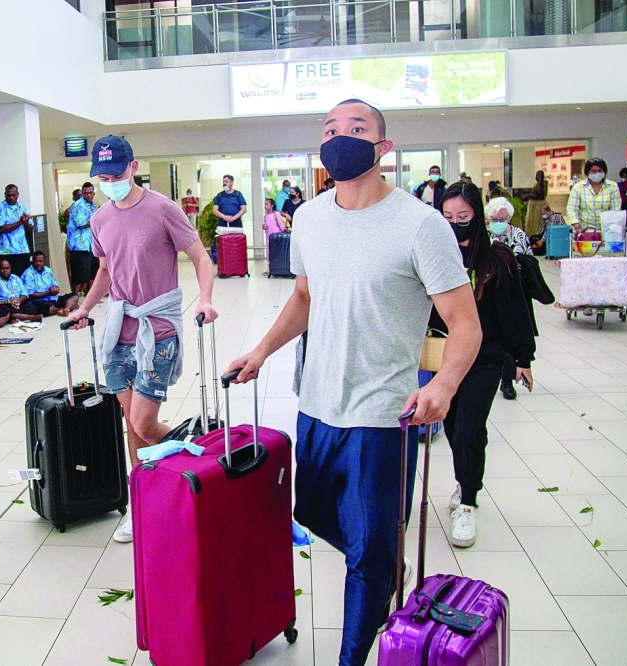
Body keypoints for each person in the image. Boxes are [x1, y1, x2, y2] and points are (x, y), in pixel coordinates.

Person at [224, 100, 481, 666]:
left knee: (364, 557)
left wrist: (443, 385)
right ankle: (385, 559)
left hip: (382, 416)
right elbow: (304, 298)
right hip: (316, 405)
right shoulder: (311, 217)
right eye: (331, 130)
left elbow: (466, 324)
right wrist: (262, 351)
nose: (341, 139)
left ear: (383, 149)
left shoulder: (421, 224)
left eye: (357, 130)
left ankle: (355, 649)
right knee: (314, 517)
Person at [67, 134, 218, 545]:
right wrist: (85, 308)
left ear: (134, 167)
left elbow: (201, 258)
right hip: (119, 332)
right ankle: (143, 507)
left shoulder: (162, 209)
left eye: (116, 174)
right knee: (131, 427)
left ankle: (198, 461)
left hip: (157, 331)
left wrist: (205, 299)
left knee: (143, 423)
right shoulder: (100, 219)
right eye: (102, 176)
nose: (109, 182)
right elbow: (105, 272)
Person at [433, 182, 535, 548]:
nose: (455, 224)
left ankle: (469, 502)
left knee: (470, 427)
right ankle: (466, 480)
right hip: (444, 358)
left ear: (477, 215)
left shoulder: (495, 259)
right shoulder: (434, 256)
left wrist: (523, 358)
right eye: (447, 217)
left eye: (463, 217)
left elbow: (514, 310)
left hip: (485, 357)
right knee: (453, 425)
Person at [484, 197, 533, 401]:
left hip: (515, 292)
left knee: (513, 334)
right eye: (495, 218)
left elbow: (529, 260)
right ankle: (499, 376)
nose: (499, 221)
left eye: (503, 218)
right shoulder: (483, 236)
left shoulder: (518, 235)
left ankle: (508, 380)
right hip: (490, 293)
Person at [565, 157, 621, 232]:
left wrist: (611, 227)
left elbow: (615, 209)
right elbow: (572, 209)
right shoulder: (578, 187)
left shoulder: (612, 186)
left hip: (607, 230)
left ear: (604, 172)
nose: (597, 173)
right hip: (584, 231)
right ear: (588, 172)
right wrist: (577, 226)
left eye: (599, 171)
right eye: (593, 171)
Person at [0, 258, 42, 326]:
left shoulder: (15, 278)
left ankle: (14, 318)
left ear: (10, 269)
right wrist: (9, 302)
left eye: (7, 268)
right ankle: (30, 317)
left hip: (17, 304)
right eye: (2, 268)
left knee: (33, 306)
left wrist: (18, 301)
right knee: (5, 312)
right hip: (3, 306)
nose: (5, 271)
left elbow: (24, 293)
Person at [0, 184, 34, 276]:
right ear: (5, 194)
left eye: (13, 195)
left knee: (23, 279)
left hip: (22, 251)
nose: (11, 197)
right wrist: (20, 222)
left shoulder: (23, 209)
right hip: (5, 252)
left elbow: (30, 230)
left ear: (17, 195)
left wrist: (26, 222)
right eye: (8, 195)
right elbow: (1, 229)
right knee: (6, 279)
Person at [23, 250, 78, 317]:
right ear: (32, 261)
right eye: (36, 261)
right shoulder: (28, 274)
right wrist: (48, 292)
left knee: (74, 296)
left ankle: (65, 310)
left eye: (40, 261)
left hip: (52, 299)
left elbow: (54, 284)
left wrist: (55, 289)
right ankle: (60, 309)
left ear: (44, 261)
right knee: (41, 305)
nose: (38, 264)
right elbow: (30, 294)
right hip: (39, 301)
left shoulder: (48, 270)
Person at [67, 182, 98, 295]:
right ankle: (74, 298)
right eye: (85, 193)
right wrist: (96, 221)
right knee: (79, 273)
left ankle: (90, 296)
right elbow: (81, 223)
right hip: (79, 245)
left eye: (90, 193)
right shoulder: (79, 205)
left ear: (94, 193)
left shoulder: (93, 205)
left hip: (91, 244)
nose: (88, 195)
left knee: (92, 271)